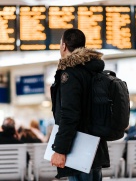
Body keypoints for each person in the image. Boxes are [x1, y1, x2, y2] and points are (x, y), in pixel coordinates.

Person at [50, 28, 109, 181]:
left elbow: (69, 114)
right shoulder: (94, 71)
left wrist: (60, 150)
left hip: (78, 148)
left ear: (63, 46)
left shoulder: (70, 74)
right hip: (95, 146)